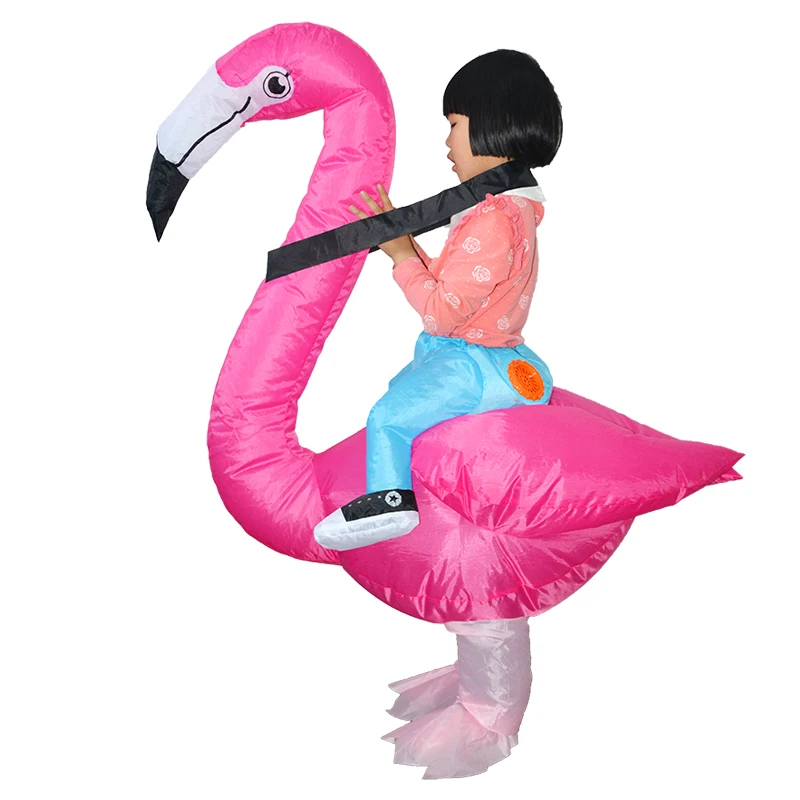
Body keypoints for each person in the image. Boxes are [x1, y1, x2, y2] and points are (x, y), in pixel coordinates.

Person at [313, 49, 563, 551]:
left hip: (474, 365)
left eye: (454, 124)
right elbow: (461, 287)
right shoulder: (509, 208)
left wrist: (402, 257)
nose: (448, 141)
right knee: (404, 387)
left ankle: (390, 504)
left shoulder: (493, 218)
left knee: (388, 415)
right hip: (497, 356)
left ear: (497, 124)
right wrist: (404, 243)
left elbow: (443, 314)